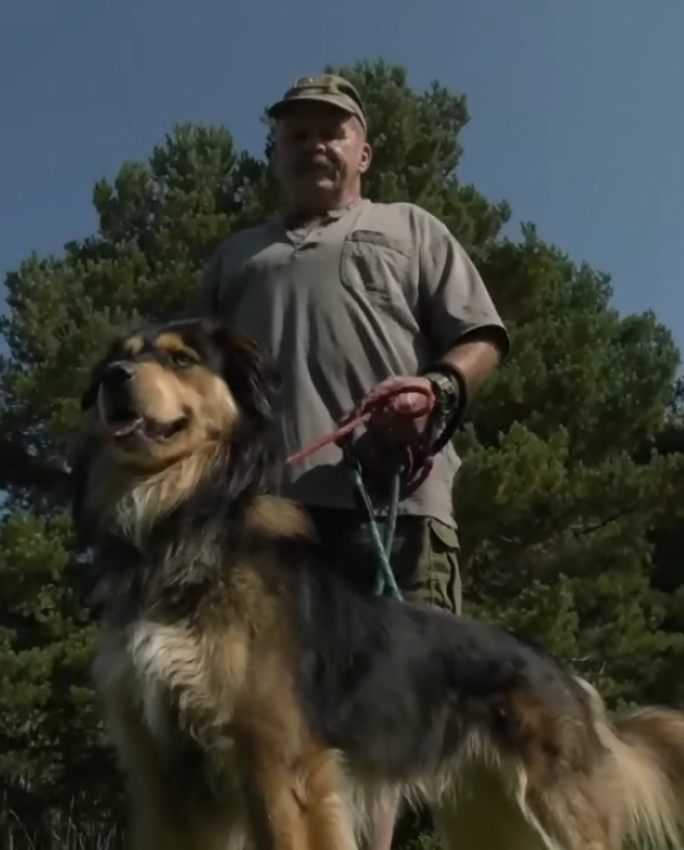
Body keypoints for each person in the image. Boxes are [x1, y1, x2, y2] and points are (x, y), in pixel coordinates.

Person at [190, 73, 509, 850]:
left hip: (395, 503)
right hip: (265, 518)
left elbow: (482, 338)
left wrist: (436, 389)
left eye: (331, 130)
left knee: (389, 700)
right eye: (295, 133)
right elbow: (194, 383)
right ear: (274, 154)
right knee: (266, 708)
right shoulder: (237, 257)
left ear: (363, 150)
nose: (313, 144)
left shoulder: (409, 227)